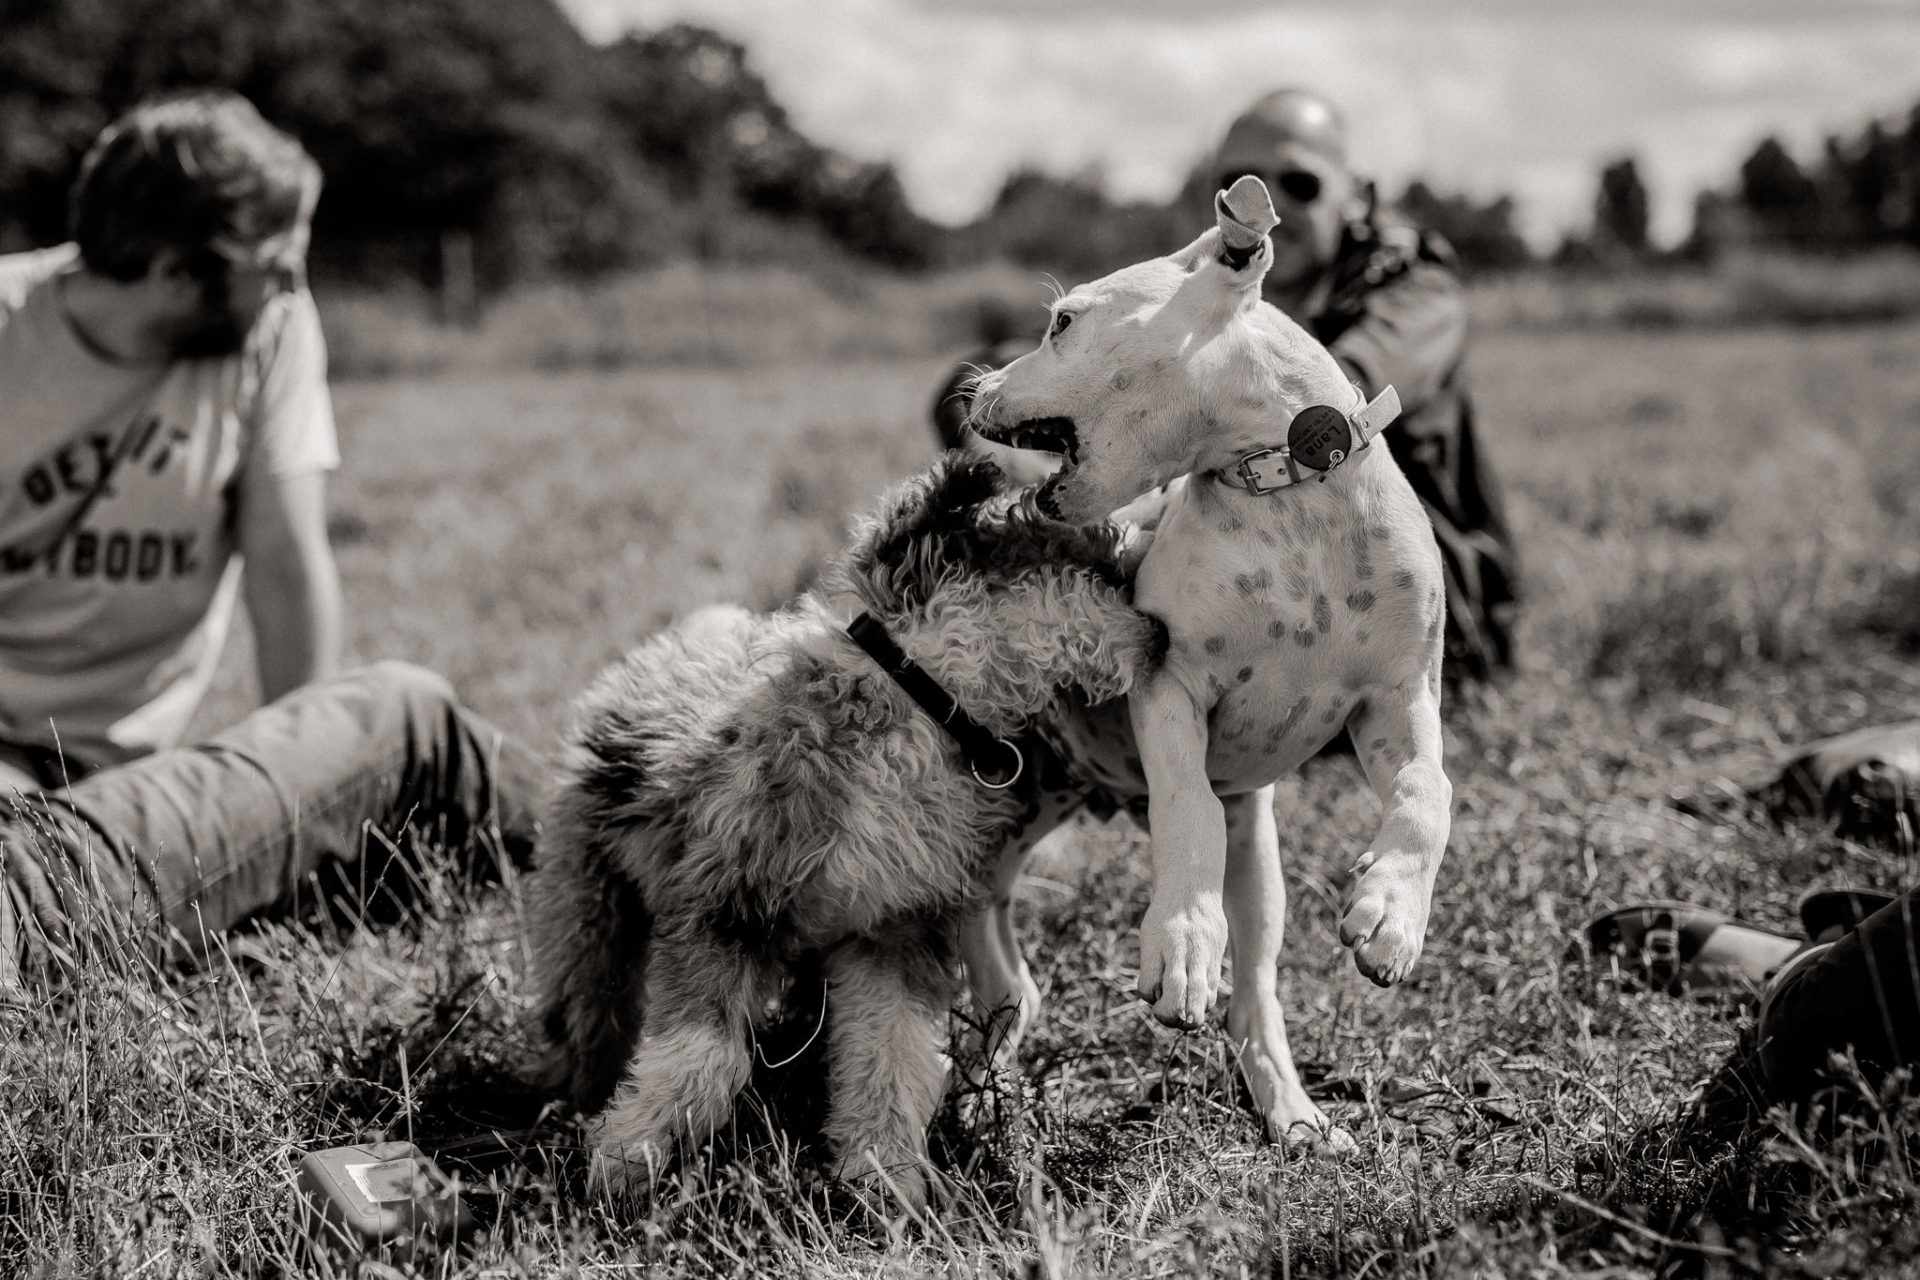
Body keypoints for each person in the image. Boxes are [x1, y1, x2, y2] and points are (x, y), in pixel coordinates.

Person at [0, 92, 540, 987]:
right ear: (177, 272)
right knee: (405, 718)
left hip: (109, 788)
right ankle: (707, 908)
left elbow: (287, 567)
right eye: (274, 263)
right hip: (24, 838)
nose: (293, 283)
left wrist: (307, 810)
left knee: (356, 756)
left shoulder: (267, 334)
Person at [932, 87, 1522, 683]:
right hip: (1253, 591)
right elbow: (978, 380)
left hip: (1419, 610)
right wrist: (1013, 458)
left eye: (1301, 181)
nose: (1272, 203)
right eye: (1242, 179)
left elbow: (1332, 399)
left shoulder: (1418, 293)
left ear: (1358, 197)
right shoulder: (1202, 296)